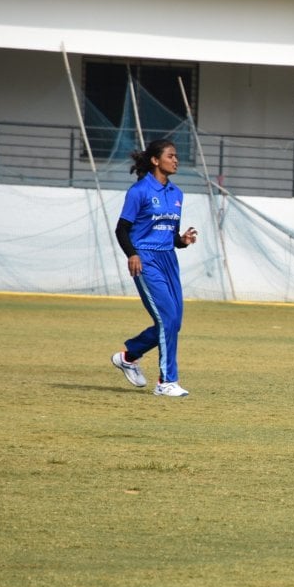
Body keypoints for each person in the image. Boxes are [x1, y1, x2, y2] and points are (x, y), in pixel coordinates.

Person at [109, 138, 198, 397]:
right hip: (146, 260)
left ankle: (129, 356)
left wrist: (181, 241)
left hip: (169, 259)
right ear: (155, 161)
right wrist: (132, 254)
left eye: (176, 156)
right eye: (171, 156)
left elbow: (168, 234)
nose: (176, 160)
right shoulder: (139, 191)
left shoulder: (177, 194)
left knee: (173, 322)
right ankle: (166, 382)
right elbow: (122, 228)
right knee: (167, 318)